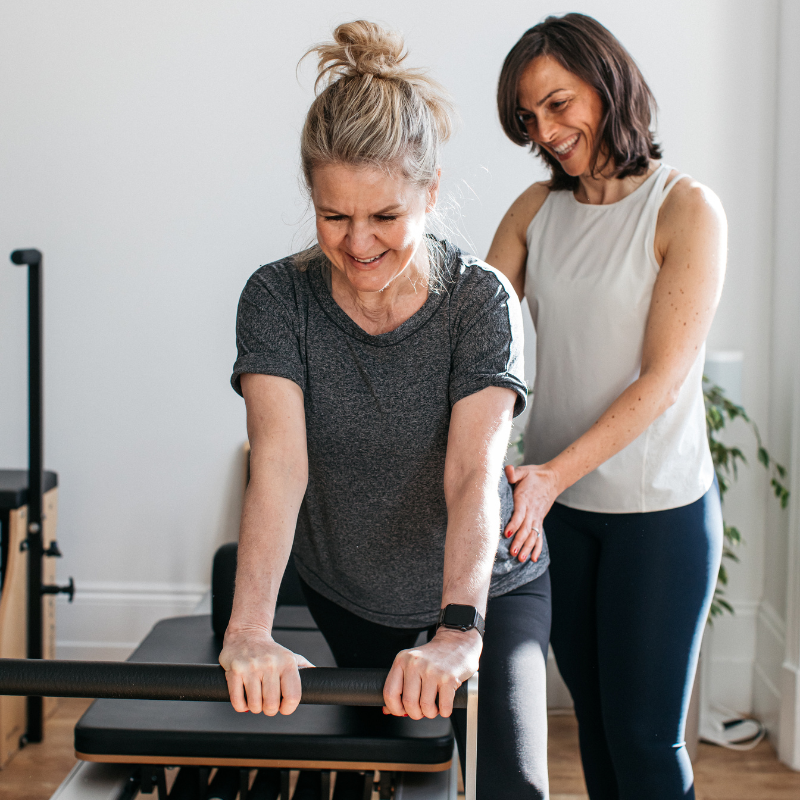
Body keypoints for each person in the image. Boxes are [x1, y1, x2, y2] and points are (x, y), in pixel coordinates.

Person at [221, 21, 551, 800]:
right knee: (384, 776)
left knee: (515, 785)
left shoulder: (480, 302)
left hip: (489, 591)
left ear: (430, 192)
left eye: (385, 217)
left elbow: (473, 474)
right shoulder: (277, 298)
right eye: (335, 217)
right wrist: (247, 634)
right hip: (349, 588)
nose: (359, 242)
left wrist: (457, 631)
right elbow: (278, 466)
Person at [486, 13, 726, 800]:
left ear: (607, 83)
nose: (547, 131)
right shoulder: (533, 212)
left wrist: (549, 473)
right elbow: (473, 335)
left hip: (657, 513)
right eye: (531, 118)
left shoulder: (686, 209)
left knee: (645, 738)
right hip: (556, 512)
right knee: (593, 722)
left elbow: (661, 379)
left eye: (558, 104)